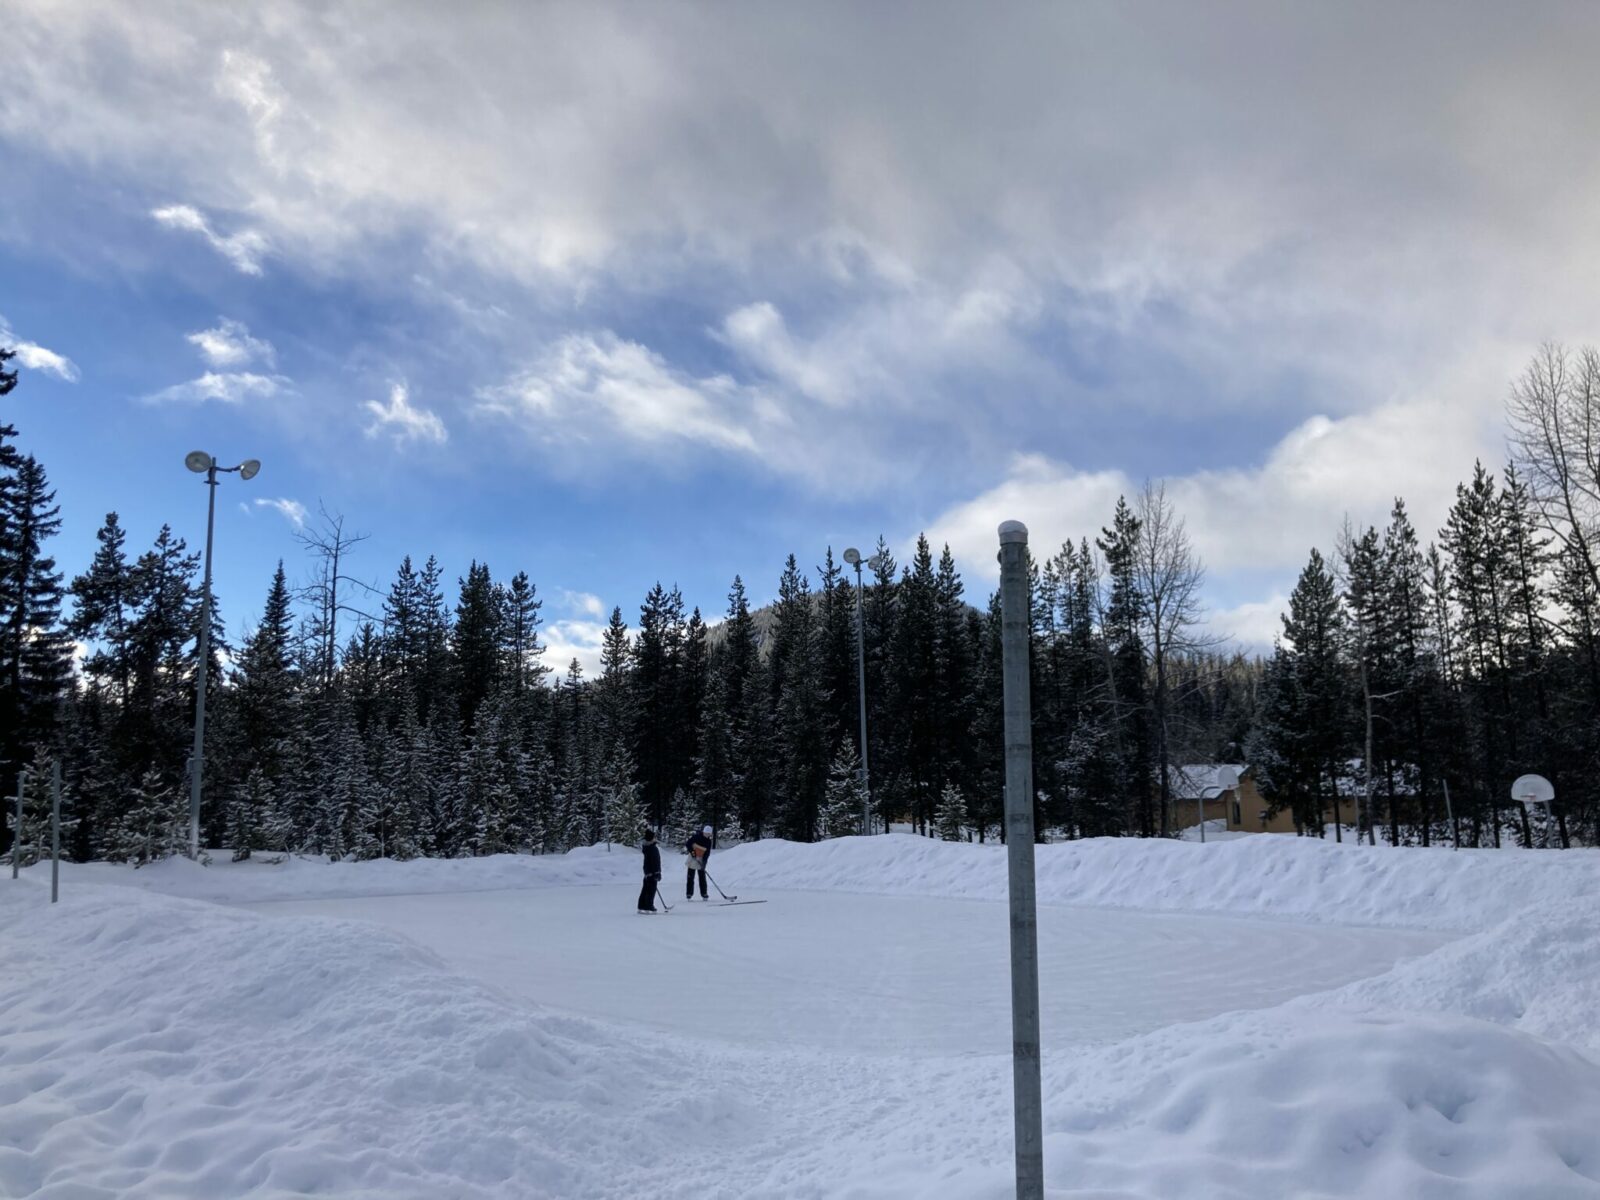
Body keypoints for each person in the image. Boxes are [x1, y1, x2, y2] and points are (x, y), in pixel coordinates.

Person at [684, 824, 713, 900]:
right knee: (690, 876)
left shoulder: (709, 841)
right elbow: (688, 844)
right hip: (693, 858)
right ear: (703, 832)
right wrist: (693, 854)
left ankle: (704, 894)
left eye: (708, 833)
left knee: (702, 876)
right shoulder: (696, 837)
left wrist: (704, 862)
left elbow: (707, 853)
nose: (707, 834)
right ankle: (689, 893)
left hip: (701, 858)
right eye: (706, 833)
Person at [638, 830, 662, 913]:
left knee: (645, 889)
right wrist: (657, 873)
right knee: (651, 889)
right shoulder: (652, 848)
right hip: (652, 872)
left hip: (647, 872)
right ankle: (648, 906)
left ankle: (641, 905)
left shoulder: (647, 847)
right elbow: (655, 862)